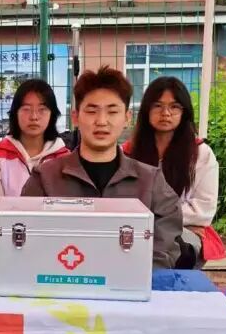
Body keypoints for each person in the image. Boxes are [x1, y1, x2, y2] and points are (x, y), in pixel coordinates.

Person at [22, 67, 181, 269]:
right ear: (75, 117)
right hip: (62, 281)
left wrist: (130, 277)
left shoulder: (151, 181)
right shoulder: (45, 178)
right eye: (91, 111)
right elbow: (29, 243)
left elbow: (163, 250)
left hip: (131, 284)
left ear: (127, 117)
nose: (102, 121)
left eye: (112, 112)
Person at [124, 76, 225, 269]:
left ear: (184, 112)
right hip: (136, 229)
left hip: (183, 233)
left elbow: (203, 211)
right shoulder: (127, 153)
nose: (166, 113)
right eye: (158, 106)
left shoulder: (201, 154)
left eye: (174, 107)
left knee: (169, 243)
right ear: (146, 110)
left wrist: (155, 216)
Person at [0, 78, 70, 197]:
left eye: (42, 109)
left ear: (52, 115)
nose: (34, 117)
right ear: (15, 113)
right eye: (26, 109)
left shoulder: (66, 160)